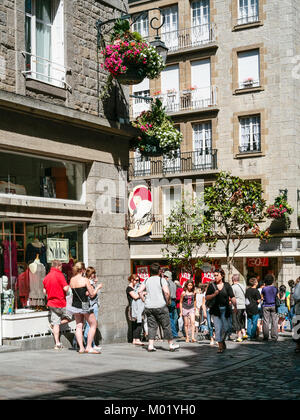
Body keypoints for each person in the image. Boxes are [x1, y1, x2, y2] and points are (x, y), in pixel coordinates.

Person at [137, 262, 179, 352]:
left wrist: (144, 300)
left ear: (150, 271)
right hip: (160, 306)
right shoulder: (162, 280)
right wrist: (167, 301)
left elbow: (139, 291)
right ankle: (171, 344)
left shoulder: (146, 280)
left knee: (151, 326)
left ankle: (150, 345)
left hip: (149, 307)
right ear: (159, 271)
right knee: (166, 325)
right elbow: (167, 293)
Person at [68, 262, 100, 354]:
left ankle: (81, 348)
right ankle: (89, 347)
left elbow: (74, 292)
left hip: (75, 304)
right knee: (93, 324)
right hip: (84, 304)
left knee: (78, 325)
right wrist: (97, 288)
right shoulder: (85, 280)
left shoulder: (72, 280)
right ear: (82, 270)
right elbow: (92, 294)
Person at [205, 269, 237, 354]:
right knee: (218, 328)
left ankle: (222, 341)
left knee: (227, 328)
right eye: (214, 275)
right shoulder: (212, 286)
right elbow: (206, 297)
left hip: (225, 309)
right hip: (216, 310)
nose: (215, 277)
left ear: (222, 275)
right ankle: (220, 346)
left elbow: (232, 296)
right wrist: (214, 295)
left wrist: (235, 306)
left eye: (217, 275)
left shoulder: (227, 285)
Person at [43, 260, 71, 350]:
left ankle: (57, 344)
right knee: (73, 316)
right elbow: (66, 288)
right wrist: (70, 287)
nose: (61, 268)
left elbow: (44, 291)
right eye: (61, 267)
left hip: (51, 303)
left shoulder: (46, 277)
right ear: (58, 266)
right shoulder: (60, 275)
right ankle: (55, 325)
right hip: (61, 303)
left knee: (56, 323)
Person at [83, 267, 103, 350]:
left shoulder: (87, 282)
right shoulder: (89, 283)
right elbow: (92, 294)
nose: (95, 275)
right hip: (92, 305)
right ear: (91, 274)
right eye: (94, 274)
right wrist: (98, 287)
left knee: (90, 325)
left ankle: (92, 344)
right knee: (91, 325)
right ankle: (89, 344)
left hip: (88, 305)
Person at [126, 274, 145, 346]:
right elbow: (135, 296)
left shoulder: (136, 287)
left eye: (138, 280)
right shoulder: (129, 288)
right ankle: (136, 339)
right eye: (136, 280)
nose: (138, 281)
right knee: (137, 323)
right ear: (132, 280)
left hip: (138, 307)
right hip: (133, 308)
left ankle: (135, 339)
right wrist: (142, 293)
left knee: (137, 323)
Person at [261, 274, 278, 342]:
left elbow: (262, 297)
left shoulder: (264, 288)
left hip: (266, 305)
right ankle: (274, 336)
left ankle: (266, 336)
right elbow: (277, 296)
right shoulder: (275, 288)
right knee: (274, 321)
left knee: (266, 321)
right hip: (274, 305)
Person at [231, 274, 247, 342]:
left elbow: (232, 297)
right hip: (243, 305)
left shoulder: (233, 287)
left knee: (236, 321)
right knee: (241, 320)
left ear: (233, 280)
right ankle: (244, 333)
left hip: (236, 306)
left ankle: (239, 337)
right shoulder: (243, 286)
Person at [164, 271, 178, 339]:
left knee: (169, 318)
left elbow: (167, 293)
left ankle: (174, 334)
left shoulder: (167, 283)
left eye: (164, 276)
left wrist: (166, 301)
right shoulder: (174, 283)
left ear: (167, 277)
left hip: (168, 301)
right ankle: (174, 333)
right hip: (173, 301)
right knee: (172, 317)